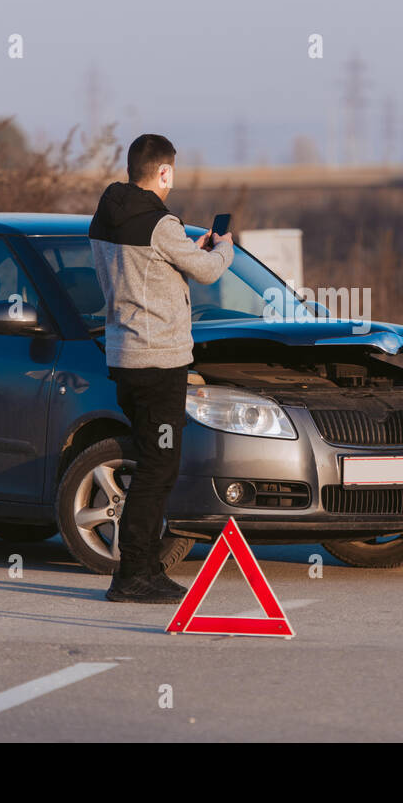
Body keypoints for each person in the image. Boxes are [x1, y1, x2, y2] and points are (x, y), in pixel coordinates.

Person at [89, 134, 234, 604]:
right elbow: (209, 271)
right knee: (158, 469)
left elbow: (151, 265)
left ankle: (145, 568)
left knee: (151, 463)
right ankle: (132, 575)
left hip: (125, 356)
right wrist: (223, 247)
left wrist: (192, 246)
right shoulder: (160, 223)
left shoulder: (106, 216)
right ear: (165, 172)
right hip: (160, 360)